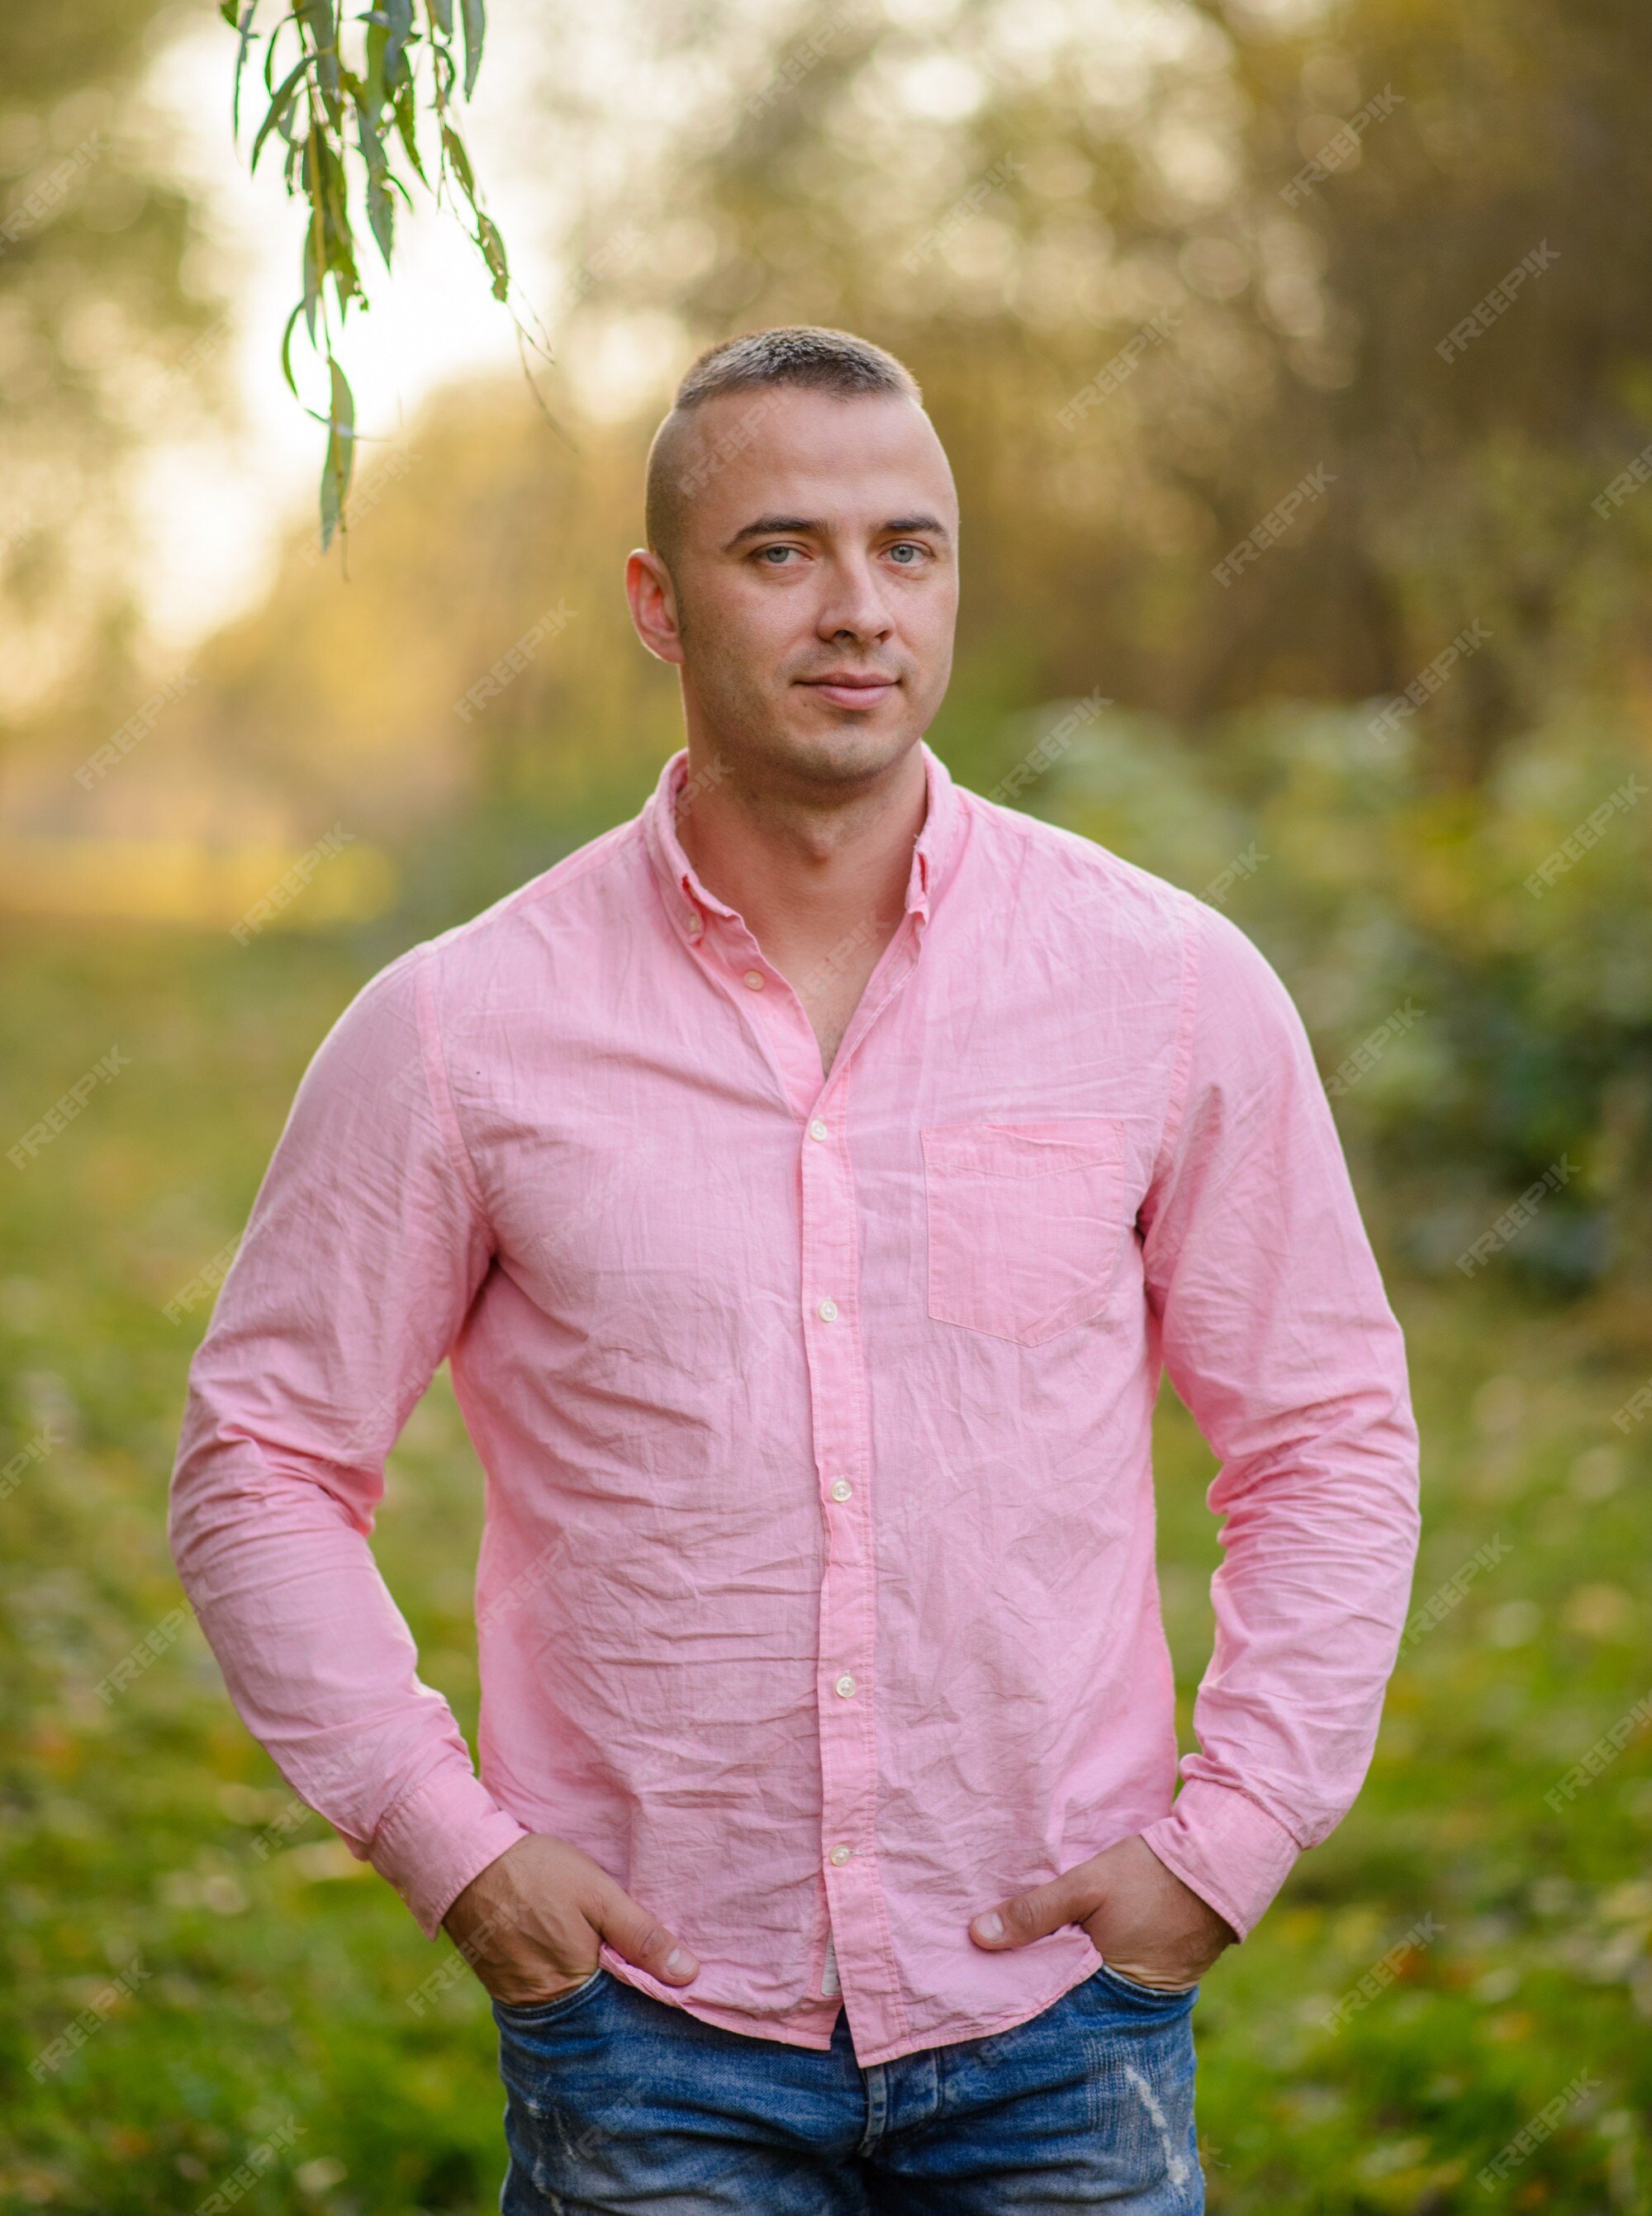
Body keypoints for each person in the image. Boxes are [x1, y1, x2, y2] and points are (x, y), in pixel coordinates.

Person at [169, 325, 1420, 2213]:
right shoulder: (459, 1028)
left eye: (906, 549)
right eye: (782, 553)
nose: (855, 609)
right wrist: (457, 1851)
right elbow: (258, 1459)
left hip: (1067, 2020)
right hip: (648, 2037)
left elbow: (1324, 1428)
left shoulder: (1165, 986)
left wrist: (1226, 1841)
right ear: (658, 605)